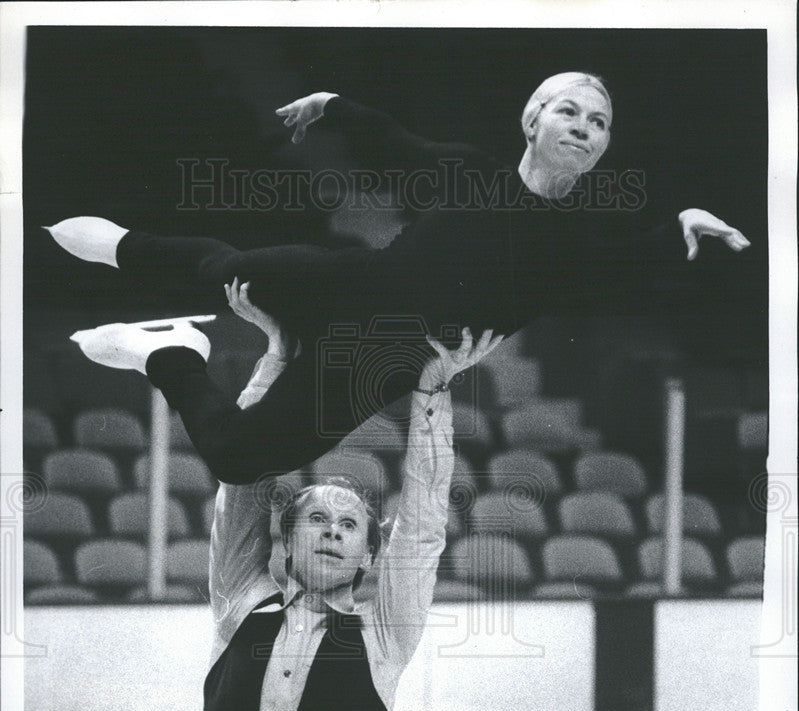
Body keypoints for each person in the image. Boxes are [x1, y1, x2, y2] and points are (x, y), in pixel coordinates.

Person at [79, 280, 501, 711]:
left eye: (349, 525)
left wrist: (431, 394)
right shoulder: (240, 602)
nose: (333, 532)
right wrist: (275, 356)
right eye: (316, 519)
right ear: (286, 540)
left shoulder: (382, 638)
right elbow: (239, 476)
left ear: (369, 551)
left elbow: (422, 526)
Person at [50, 72, 750, 481]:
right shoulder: (469, 170)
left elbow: (632, 258)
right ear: (532, 120)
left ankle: (171, 353)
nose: (583, 127)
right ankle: (119, 246)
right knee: (229, 269)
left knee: (237, 458)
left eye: (598, 122)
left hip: (385, 359)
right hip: (352, 284)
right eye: (568, 110)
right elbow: (398, 143)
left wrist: (682, 220)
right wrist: (332, 106)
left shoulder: (576, 243)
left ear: (600, 149)